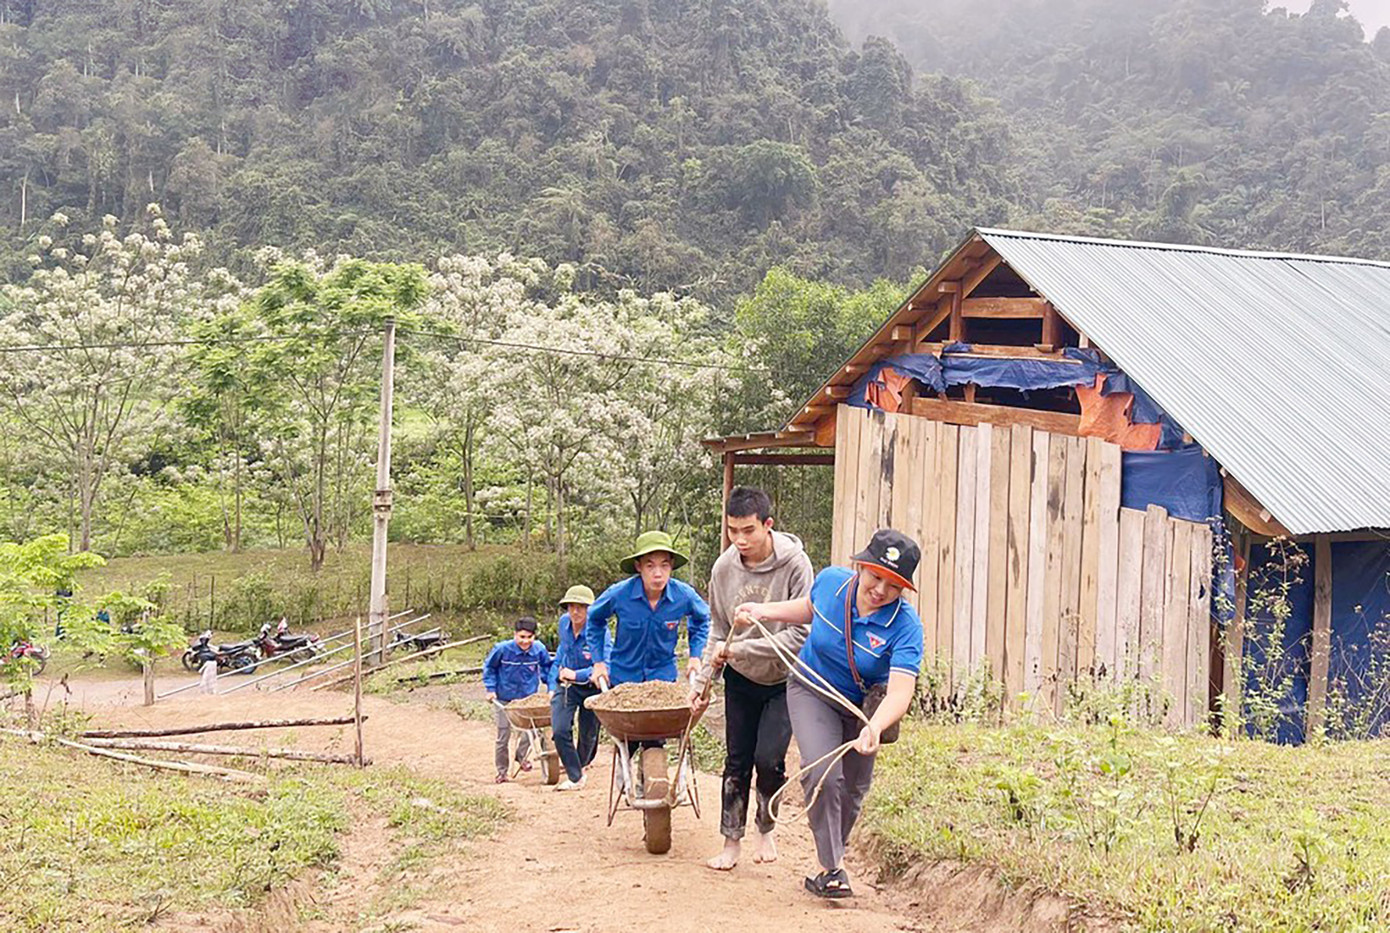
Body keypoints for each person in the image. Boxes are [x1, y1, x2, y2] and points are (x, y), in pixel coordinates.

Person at [732, 529, 922, 899]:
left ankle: (833, 854)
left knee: (853, 790)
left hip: (863, 710)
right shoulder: (832, 583)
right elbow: (809, 608)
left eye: (894, 585)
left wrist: (875, 726)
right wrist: (762, 611)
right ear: (860, 566)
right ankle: (831, 867)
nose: (881, 589)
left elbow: (901, 690)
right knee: (823, 772)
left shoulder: (906, 627)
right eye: (875, 576)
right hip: (812, 688)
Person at [694, 486, 814, 872]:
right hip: (741, 679)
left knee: (769, 758)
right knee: (737, 761)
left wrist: (742, 649)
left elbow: (802, 633)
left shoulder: (796, 565)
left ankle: (767, 828)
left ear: (768, 525)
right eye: (732, 531)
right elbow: (718, 628)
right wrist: (703, 681)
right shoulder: (723, 569)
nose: (740, 540)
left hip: (785, 679)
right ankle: (731, 842)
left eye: (748, 530)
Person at [586, 530, 711, 691]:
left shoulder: (684, 596)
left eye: (664, 565)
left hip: (663, 679)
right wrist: (598, 663)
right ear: (639, 566)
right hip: (624, 679)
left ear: (671, 565)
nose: (658, 574)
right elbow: (594, 619)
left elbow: (701, 619)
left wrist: (695, 656)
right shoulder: (619, 594)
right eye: (650, 565)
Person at [548, 584, 607, 791]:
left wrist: (578, 674)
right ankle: (575, 776)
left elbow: (605, 665)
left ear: (590, 609)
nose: (575, 612)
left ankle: (581, 763)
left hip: (592, 686)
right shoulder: (564, 624)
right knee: (560, 729)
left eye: (581, 607)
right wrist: (551, 682)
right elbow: (560, 654)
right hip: (567, 686)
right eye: (571, 606)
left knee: (588, 734)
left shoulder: (600, 632)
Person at [483, 616, 552, 784]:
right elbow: (489, 668)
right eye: (522, 637)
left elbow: (547, 668)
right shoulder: (502, 649)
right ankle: (502, 771)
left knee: (533, 730)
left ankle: (521, 757)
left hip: (527, 700)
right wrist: (490, 690)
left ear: (534, 637)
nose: (525, 641)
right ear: (515, 635)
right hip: (505, 699)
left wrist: (551, 687)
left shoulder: (538, 650)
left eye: (529, 637)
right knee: (503, 735)